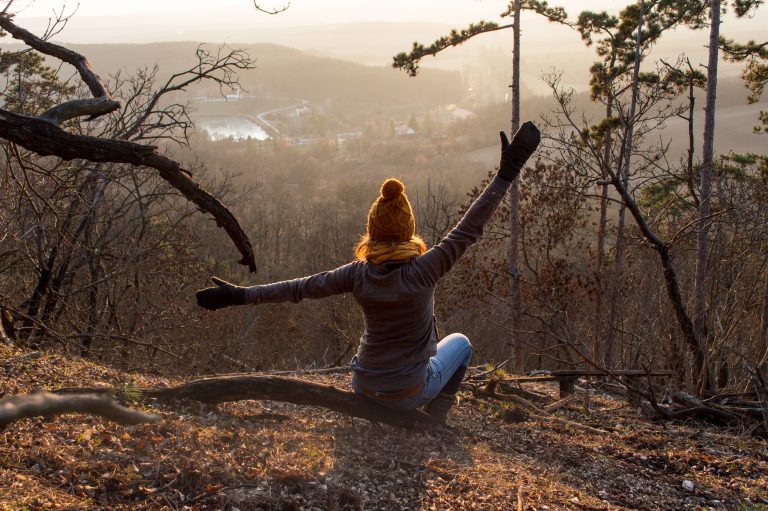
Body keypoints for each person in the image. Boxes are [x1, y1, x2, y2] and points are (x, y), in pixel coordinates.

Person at [196, 121, 541, 423]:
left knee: (430, 349)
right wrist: (505, 176)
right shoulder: (426, 269)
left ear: (372, 230)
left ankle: (422, 408)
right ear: (409, 230)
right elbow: (468, 228)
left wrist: (238, 295)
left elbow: (298, 288)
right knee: (462, 344)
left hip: (364, 385)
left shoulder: (358, 274)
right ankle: (436, 417)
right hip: (406, 394)